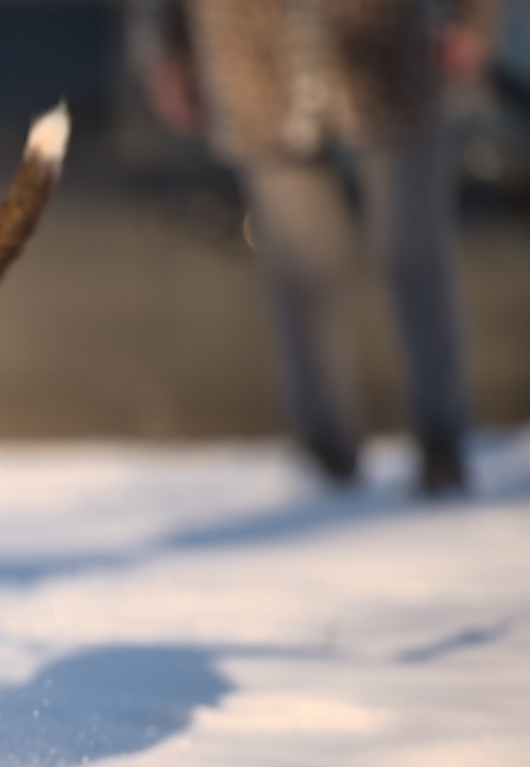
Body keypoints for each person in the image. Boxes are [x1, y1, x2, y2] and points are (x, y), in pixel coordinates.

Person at [136, 0, 498, 495]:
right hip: (253, 59)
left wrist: (472, 22)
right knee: (305, 266)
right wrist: (166, 51)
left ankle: (442, 441)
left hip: (394, 51)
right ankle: (325, 451)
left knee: (410, 251)